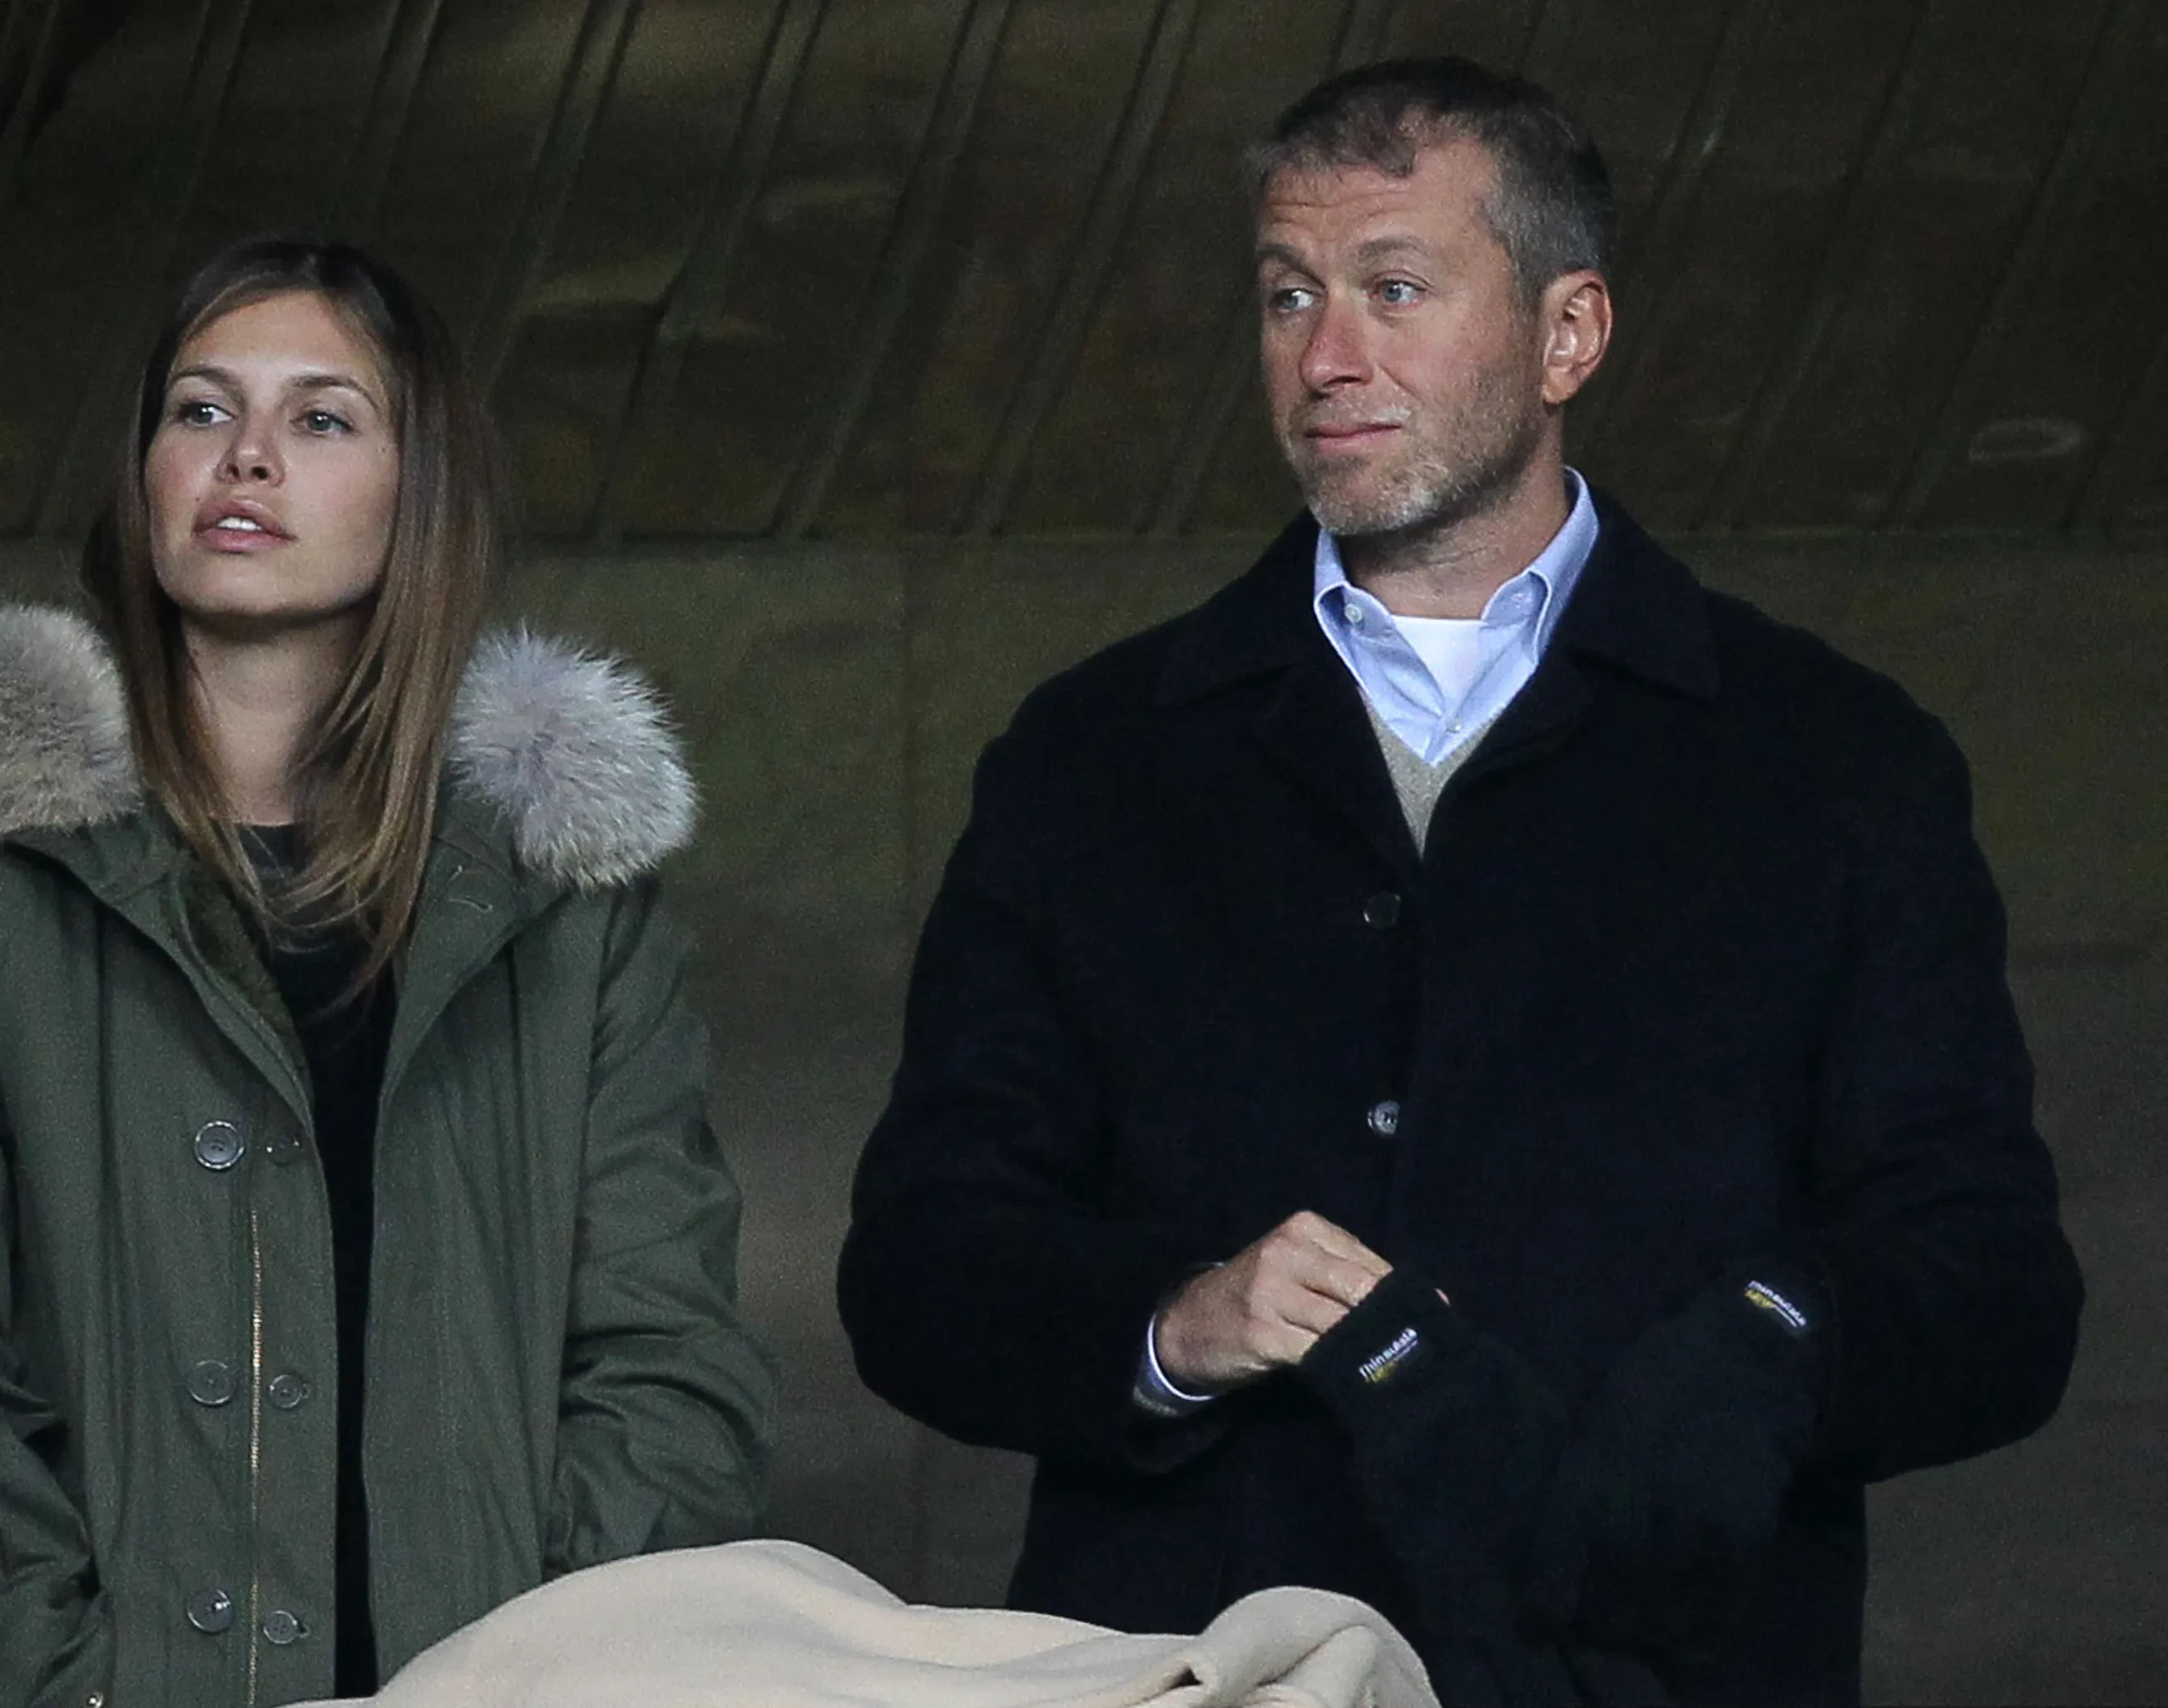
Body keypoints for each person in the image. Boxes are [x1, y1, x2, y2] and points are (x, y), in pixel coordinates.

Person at [836, 57, 2081, 1708]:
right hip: (1207, 1667)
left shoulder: (1838, 761)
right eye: (1288, 295)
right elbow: (920, 1266)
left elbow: (1992, 1280)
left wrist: (1773, 1350)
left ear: (1571, 334)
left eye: (1394, 288)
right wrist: (1175, 1324)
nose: (1323, 357)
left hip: (1664, 1669)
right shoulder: (1092, 761)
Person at [0, 239, 774, 1708]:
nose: (245, 456)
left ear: (418, 491)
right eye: (200, 409)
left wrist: (539, 1679)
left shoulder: (566, 883)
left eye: (322, 418)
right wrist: (63, 1677)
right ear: (143, 473)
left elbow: (666, 1354)